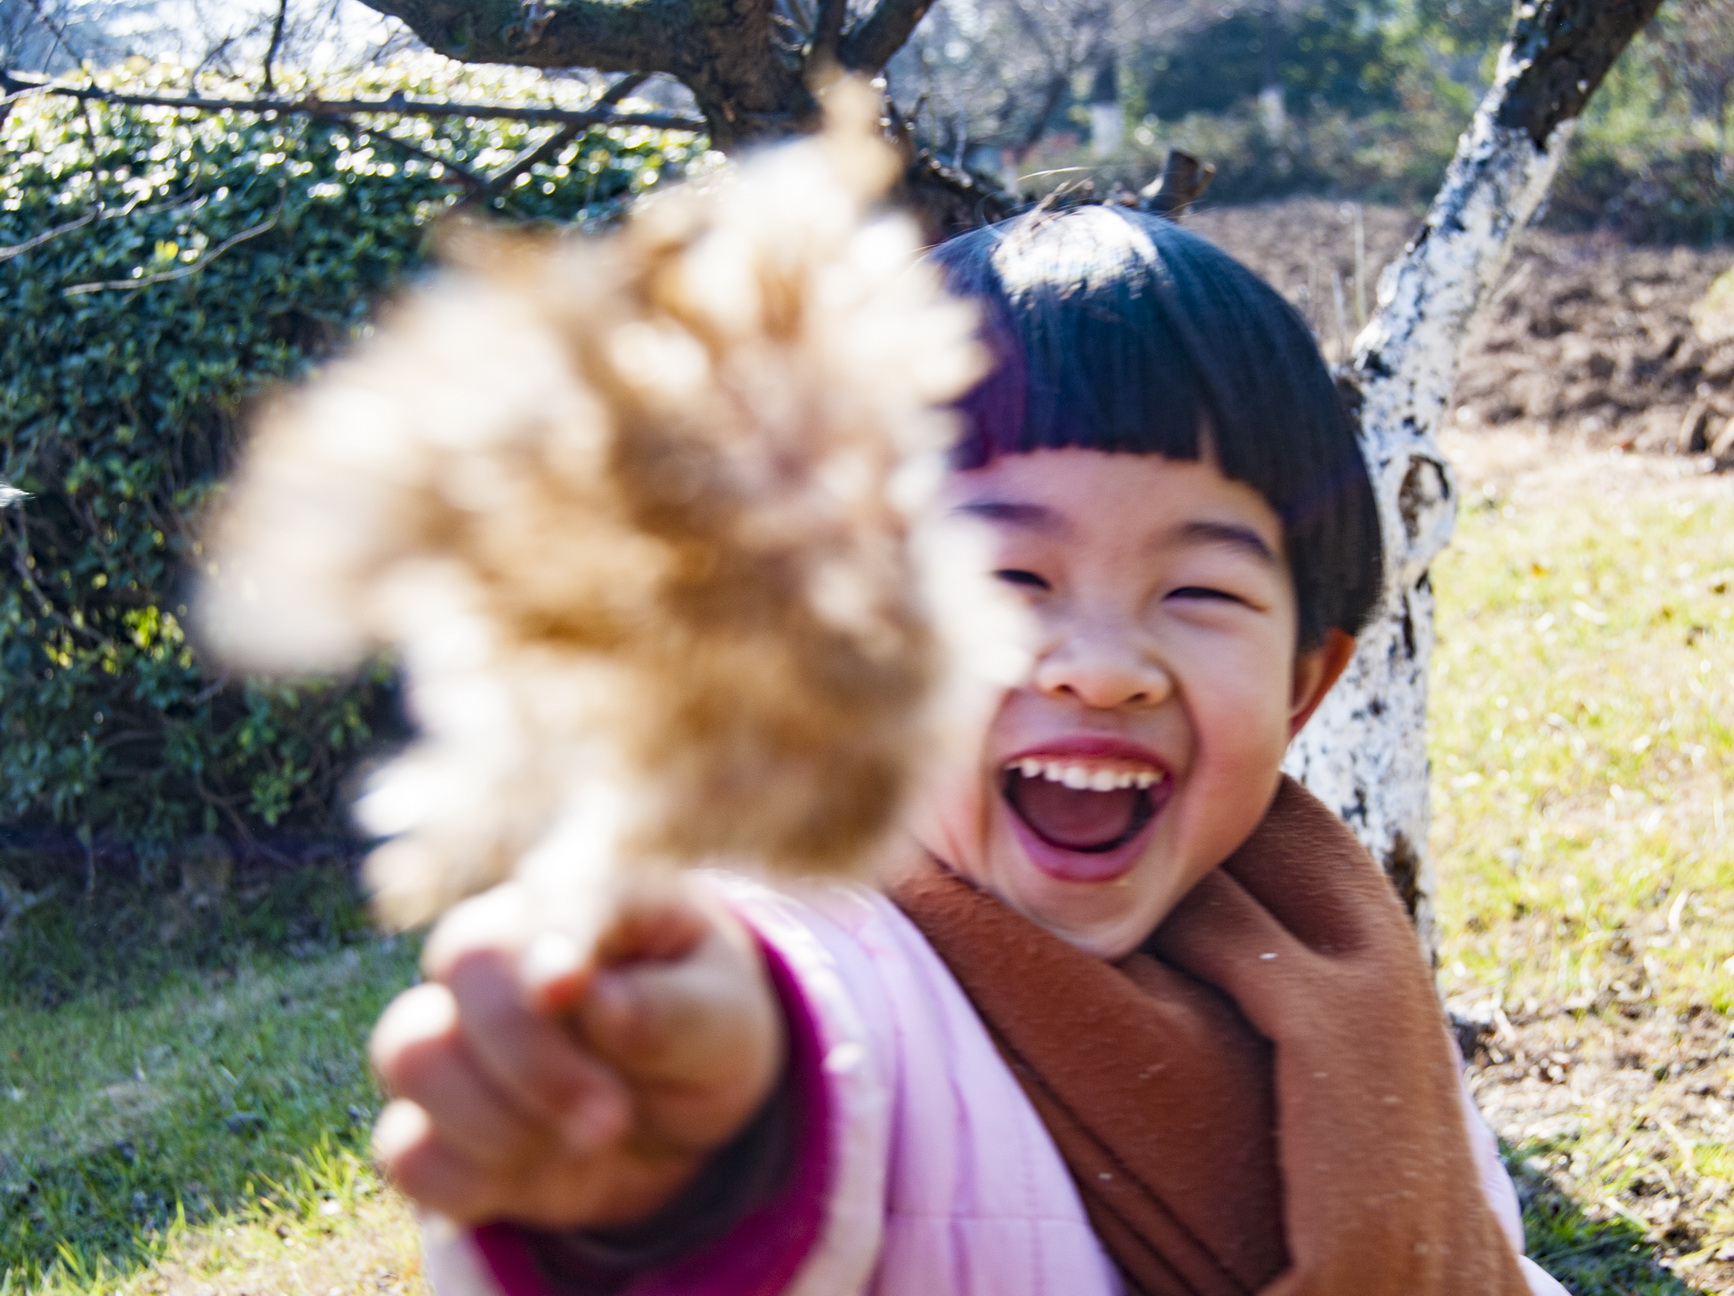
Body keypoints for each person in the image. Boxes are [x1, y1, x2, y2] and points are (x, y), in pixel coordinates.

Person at [368, 205, 1569, 1296]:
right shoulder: (822, 956)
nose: (1100, 664)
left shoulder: (1339, 966)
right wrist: (687, 1136)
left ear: (1306, 688)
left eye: (1200, 589)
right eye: (1005, 576)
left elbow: (1483, 1256)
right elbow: (792, 1093)